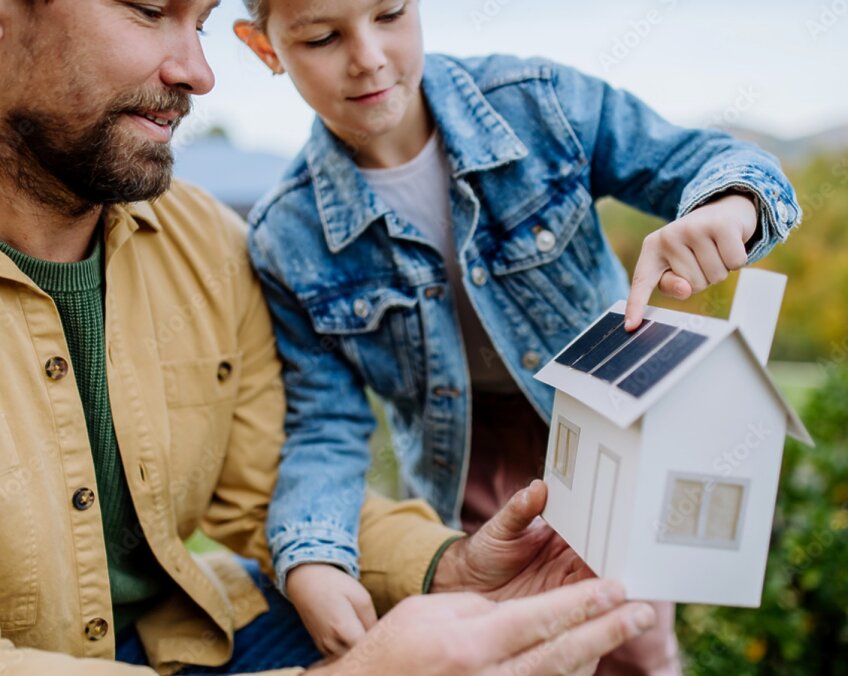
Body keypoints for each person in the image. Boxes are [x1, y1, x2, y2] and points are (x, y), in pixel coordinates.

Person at [0, 1, 659, 674]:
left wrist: (447, 566)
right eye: (146, 10)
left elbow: (267, 481)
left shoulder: (209, 247)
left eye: (198, 25)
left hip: (180, 639)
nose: (199, 74)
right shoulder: (289, 226)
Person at [234, 0, 803, 672]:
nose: (368, 56)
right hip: (466, 484)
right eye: (323, 37)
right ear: (265, 49)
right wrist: (315, 554)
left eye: (389, 14)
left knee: (632, 643)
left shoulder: (539, 105)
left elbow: (704, 159)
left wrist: (727, 205)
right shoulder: (286, 236)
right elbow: (324, 423)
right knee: (507, 653)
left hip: (607, 433)